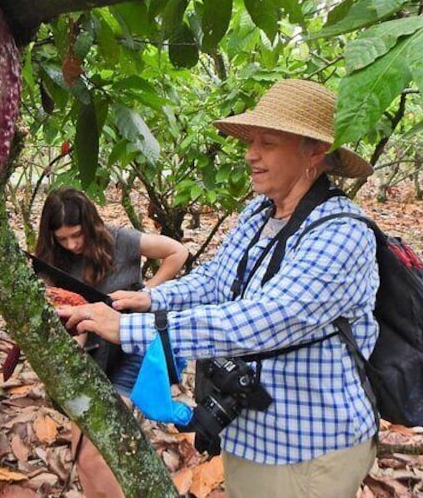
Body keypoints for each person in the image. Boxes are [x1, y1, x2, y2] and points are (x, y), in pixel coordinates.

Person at [59, 79, 380, 498]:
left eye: (267, 142)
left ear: (314, 151)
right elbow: (216, 279)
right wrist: (151, 297)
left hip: (307, 444)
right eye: (252, 141)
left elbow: (263, 320)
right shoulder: (260, 212)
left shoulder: (342, 235)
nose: (251, 154)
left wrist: (132, 329)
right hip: (250, 430)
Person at [35, 187, 188, 497]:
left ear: (90, 225)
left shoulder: (120, 240)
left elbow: (178, 252)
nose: (72, 244)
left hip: (129, 353)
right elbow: (60, 312)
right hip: (92, 355)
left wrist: (145, 295)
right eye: (62, 238)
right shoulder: (55, 260)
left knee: (95, 453)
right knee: (83, 457)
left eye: (77, 235)